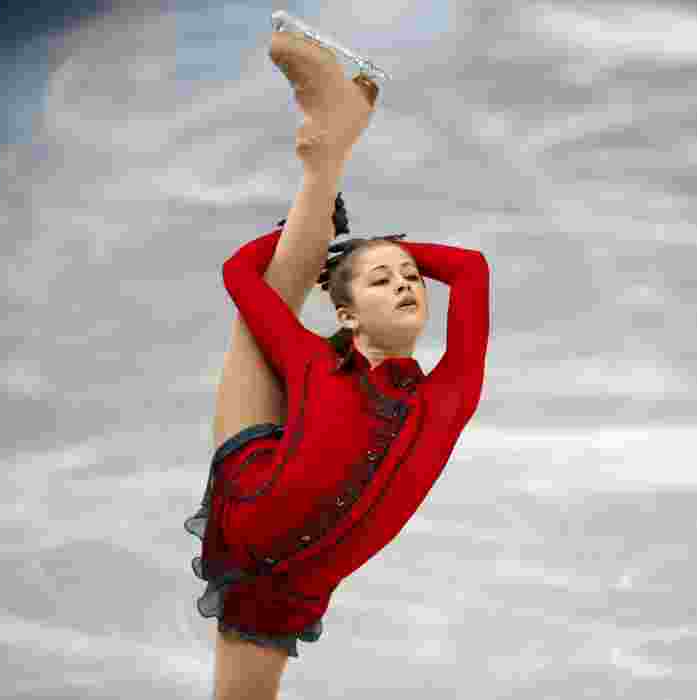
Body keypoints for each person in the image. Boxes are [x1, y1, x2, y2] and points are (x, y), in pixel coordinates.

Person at [183, 18, 490, 700]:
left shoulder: (450, 395)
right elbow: (241, 275)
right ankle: (326, 148)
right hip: (250, 498)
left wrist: (368, 248)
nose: (407, 283)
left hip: (281, 584)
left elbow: (469, 271)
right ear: (347, 314)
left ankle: (329, 145)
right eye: (385, 282)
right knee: (257, 321)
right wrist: (338, 254)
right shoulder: (314, 365)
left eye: (411, 277)